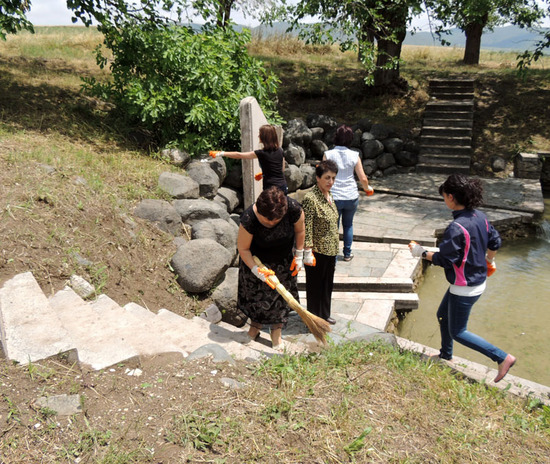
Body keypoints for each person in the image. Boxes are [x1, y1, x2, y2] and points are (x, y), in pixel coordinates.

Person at [409, 174, 516, 383]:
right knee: (443, 314)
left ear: (450, 197)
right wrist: (490, 261)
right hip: (476, 281)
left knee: (458, 331)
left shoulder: (456, 228)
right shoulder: (480, 217)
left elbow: (444, 259)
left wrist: (420, 252)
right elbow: (495, 241)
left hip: (464, 287)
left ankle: (502, 358)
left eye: (444, 196)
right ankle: (445, 354)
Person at [237, 186, 305, 349]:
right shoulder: (249, 218)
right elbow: (243, 249)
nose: (270, 223)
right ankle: (255, 327)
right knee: (256, 299)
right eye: (266, 220)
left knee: (280, 298)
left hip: (283, 262)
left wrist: (301, 254)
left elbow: (300, 230)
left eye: (275, 221)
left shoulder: (293, 209)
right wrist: (255, 270)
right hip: (255, 261)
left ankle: (276, 333)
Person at [324, 124, 373, 262]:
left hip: (333, 196)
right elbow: (363, 178)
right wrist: (367, 188)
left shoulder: (328, 154)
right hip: (351, 196)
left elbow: (321, 176)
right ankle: (347, 254)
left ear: (336, 137)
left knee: (333, 227)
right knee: (348, 225)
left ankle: (332, 256)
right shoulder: (354, 155)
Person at [302, 160, 339, 325]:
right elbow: (307, 226)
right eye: (327, 178)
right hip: (317, 250)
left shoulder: (330, 195)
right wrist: (308, 251)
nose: (330, 182)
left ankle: (325, 314)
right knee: (315, 287)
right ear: (318, 178)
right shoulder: (311, 198)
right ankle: (314, 318)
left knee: (327, 285)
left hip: (331, 249)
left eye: (333, 178)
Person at [210, 124, 287, 193]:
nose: (258, 136)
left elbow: (239, 155)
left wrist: (221, 153)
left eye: (260, 134)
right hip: (283, 187)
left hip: (271, 189)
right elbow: (281, 170)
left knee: (259, 209)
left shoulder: (261, 153)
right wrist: (264, 174)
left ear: (264, 137)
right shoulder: (280, 150)